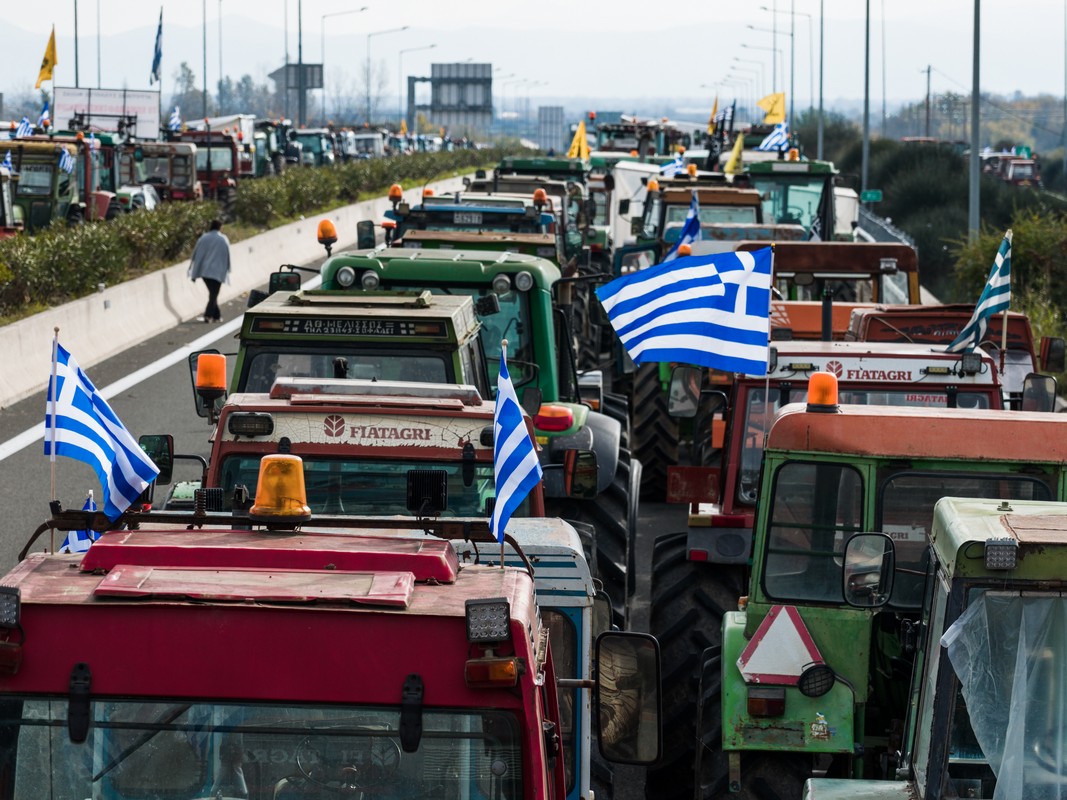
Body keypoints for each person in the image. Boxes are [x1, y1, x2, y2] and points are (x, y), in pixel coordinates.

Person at [188, 219, 231, 323]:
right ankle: (208, 315)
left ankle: (217, 315)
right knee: (214, 294)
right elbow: (227, 255)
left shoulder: (204, 238)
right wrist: (228, 269)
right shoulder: (223, 239)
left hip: (205, 272)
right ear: (220, 227)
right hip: (217, 272)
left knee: (213, 294)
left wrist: (192, 269)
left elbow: (195, 254)